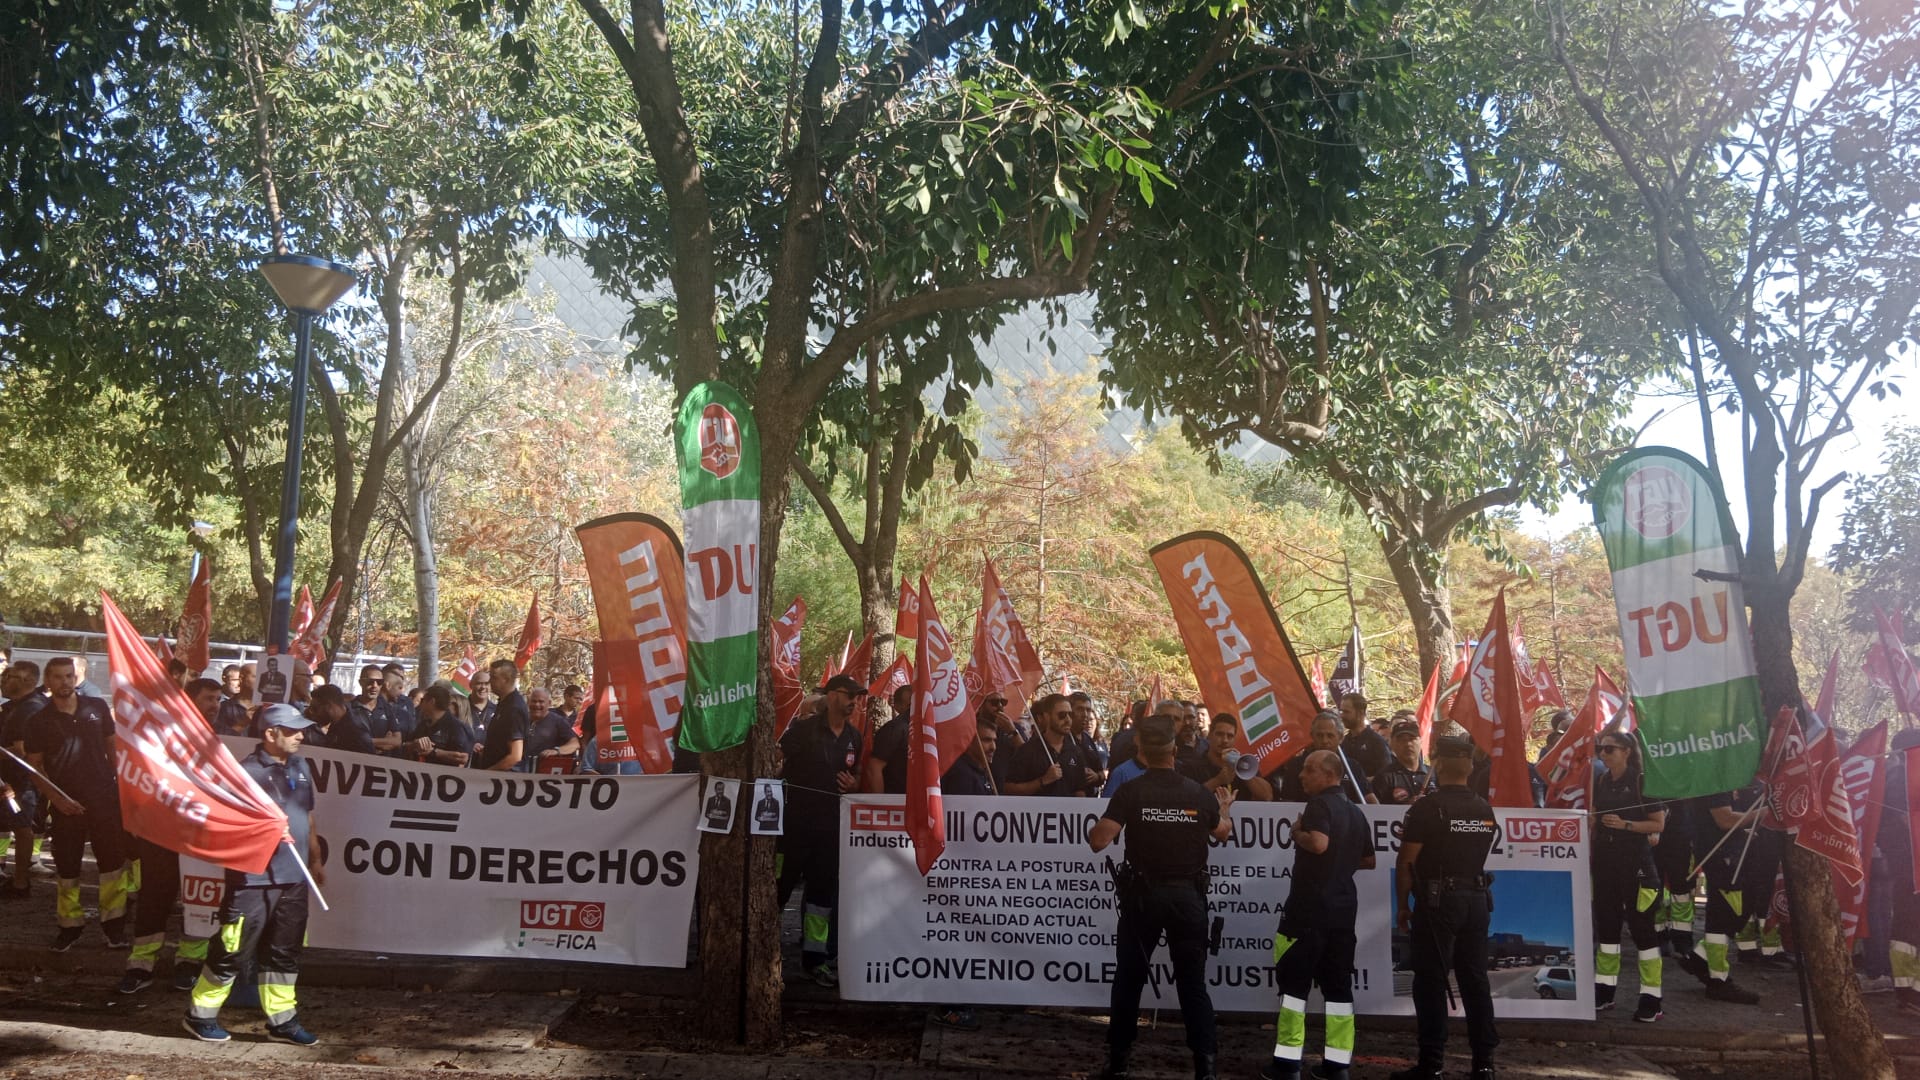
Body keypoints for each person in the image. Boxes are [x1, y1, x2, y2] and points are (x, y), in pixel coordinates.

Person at [1089, 715, 1233, 1080]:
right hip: (1188, 900)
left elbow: (1099, 840)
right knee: (1192, 985)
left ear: (1142, 750)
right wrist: (1225, 811)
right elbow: (1221, 834)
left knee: (1129, 981)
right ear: (1173, 750)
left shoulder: (1131, 792)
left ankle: (1118, 1064)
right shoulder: (1197, 793)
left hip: (1144, 900)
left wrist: (1105, 824)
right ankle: (1206, 1070)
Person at [184, 704, 324, 1045]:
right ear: (270, 734)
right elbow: (225, 827)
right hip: (252, 879)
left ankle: (282, 1021)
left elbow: (306, 816)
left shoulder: (302, 765)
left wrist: (315, 860)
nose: (300, 735)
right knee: (231, 949)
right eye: (291, 730)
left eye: (300, 729)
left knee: (284, 952)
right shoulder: (244, 773)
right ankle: (199, 1015)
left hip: (294, 877)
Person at [1391, 735, 1498, 1080]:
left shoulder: (1427, 808)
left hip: (1439, 903)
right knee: (1475, 980)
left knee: (1431, 981)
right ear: (1468, 767)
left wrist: (1403, 906)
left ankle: (1431, 1064)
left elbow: (1407, 862)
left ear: (1437, 765)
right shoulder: (1484, 807)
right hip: (1476, 901)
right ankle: (1484, 1064)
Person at [1266, 750, 1373, 1080]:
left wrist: (1296, 833)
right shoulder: (1356, 813)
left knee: (1294, 992)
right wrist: (1339, 867)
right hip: (1343, 915)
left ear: (1329, 774)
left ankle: (1286, 1066)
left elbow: (1319, 843)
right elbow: (1368, 860)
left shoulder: (1319, 806)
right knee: (1339, 993)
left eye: (1308, 770)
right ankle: (1338, 1066)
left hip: (1307, 914)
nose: (1301, 775)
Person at [121, 678, 224, 993]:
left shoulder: (223, 742)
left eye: (219, 699)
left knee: (200, 898)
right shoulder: (160, 740)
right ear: (189, 701)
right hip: (160, 835)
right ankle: (141, 964)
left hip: (199, 839)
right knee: (154, 898)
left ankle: (189, 962)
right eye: (209, 698)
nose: (215, 705)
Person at [25, 657, 131, 950]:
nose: (64, 682)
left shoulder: (96, 708)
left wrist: (117, 784)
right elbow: (35, 767)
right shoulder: (38, 721)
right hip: (66, 806)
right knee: (67, 868)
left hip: (104, 800)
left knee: (112, 865)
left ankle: (114, 927)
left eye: (69, 676)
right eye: (58, 677)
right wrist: (57, 800)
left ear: (76, 678)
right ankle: (69, 926)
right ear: (48, 681)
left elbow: (113, 747)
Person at [777, 674, 867, 985]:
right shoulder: (802, 731)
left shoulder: (855, 737)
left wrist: (855, 783)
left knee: (820, 898)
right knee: (778, 889)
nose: (854, 700)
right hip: (793, 827)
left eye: (857, 695)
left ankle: (815, 960)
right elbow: (776, 759)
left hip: (830, 831)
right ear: (830, 696)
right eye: (848, 694)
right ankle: (764, 953)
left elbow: (855, 776)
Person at [1590, 729, 1667, 1022]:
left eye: (1609, 749)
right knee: (1608, 931)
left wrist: (1626, 825)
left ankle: (1652, 998)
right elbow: (1595, 814)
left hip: (1636, 866)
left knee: (1642, 931)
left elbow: (1657, 824)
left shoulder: (1641, 780)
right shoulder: (1601, 780)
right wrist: (1592, 822)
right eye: (1601, 749)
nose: (1603, 754)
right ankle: (1604, 991)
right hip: (1606, 864)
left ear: (1626, 751)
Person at [1681, 780, 1766, 1003]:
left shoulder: (1721, 780)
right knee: (1728, 914)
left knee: (1732, 912)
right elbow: (1724, 819)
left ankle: (1700, 959)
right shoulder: (1716, 783)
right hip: (1722, 856)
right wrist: (1763, 812)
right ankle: (1718, 981)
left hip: (1725, 852)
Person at [1, 661, 49, 899]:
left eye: (9, 676)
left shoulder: (30, 709)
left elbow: (22, 751)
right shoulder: (16, 707)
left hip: (21, 782)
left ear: (27, 681)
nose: (3, 679)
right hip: (11, 779)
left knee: (22, 826)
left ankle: (21, 882)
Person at [1005, 692, 1098, 796]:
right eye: (1062, 715)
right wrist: (1042, 781)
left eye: (1070, 715)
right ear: (1047, 716)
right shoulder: (1028, 750)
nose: (1068, 720)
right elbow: (1009, 789)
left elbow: (1080, 790)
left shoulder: (1075, 751)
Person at [1271, 712, 1372, 803]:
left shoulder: (1352, 767)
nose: (1324, 741)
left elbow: (1370, 800)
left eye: (1330, 736)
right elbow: (1287, 803)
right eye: (1319, 735)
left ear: (1341, 738)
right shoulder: (1296, 766)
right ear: (1312, 736)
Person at [1180, 713, 1274, 801]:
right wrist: (1218, 780)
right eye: (1220, 734)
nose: (1225, 740)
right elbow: (1189, 798)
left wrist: (1244, 772)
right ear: (1210, 735)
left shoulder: (1243, 764)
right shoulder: (1192, 766)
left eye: (1230, 736)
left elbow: (1267, 796)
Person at [475, 660, 529, 772]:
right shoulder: (503, 704)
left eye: (494, 677)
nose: (490, 681)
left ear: (506, 679)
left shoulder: (514, 708)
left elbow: (515, 756)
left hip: (504, 780)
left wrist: (488, 772)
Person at [407, 683, 474, 767]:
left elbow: (462, 758)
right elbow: (406, 745)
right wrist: (415, 744)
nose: (420, 704)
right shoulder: (423, 724)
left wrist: (434, 752)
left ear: (432, 701)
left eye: (423, 700)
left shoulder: (457, 727)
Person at [865, 685, 915, 795]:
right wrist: (882, 805)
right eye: (909, 705)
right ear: (897, 706)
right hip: (896, 802)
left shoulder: (930, 728)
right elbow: (874, 768)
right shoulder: (894, 729)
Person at [1371, 718, 1430, 805]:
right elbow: (1378, 811)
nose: (1408, 744)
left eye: (1412, 739)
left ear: (1420, 741)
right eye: (1402, 740)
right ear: (1392, 744)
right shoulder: (1384, 777)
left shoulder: (1433, 774)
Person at [305, 685, 374, 755]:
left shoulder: (355, 730)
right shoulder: (337, 723)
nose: (313, 714)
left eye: (315, 708)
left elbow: (368, 760)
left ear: (329, 706)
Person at [524, 687, 580, 771]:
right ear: (528, 702)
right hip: (520, 772)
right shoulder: (520, 719)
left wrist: (557, 751)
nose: (537, 705)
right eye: (534, 701)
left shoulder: (558, 721)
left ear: (549, 703)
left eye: (541, 701)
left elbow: (575, 744)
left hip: (544, 772)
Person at [1336, 693, 1388, 780]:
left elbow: (1386, 774)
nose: (1342, 716)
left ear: (1360, 713)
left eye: (1346, 712)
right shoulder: (1344, 742)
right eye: (1341, 711)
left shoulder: (1376, 741)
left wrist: (1365, 782)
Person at [941, 722, 998, 796]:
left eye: (994, 740)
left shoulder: (980, 770)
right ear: (969, 741)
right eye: (987, 740)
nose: (993, 747)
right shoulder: (962, 774)